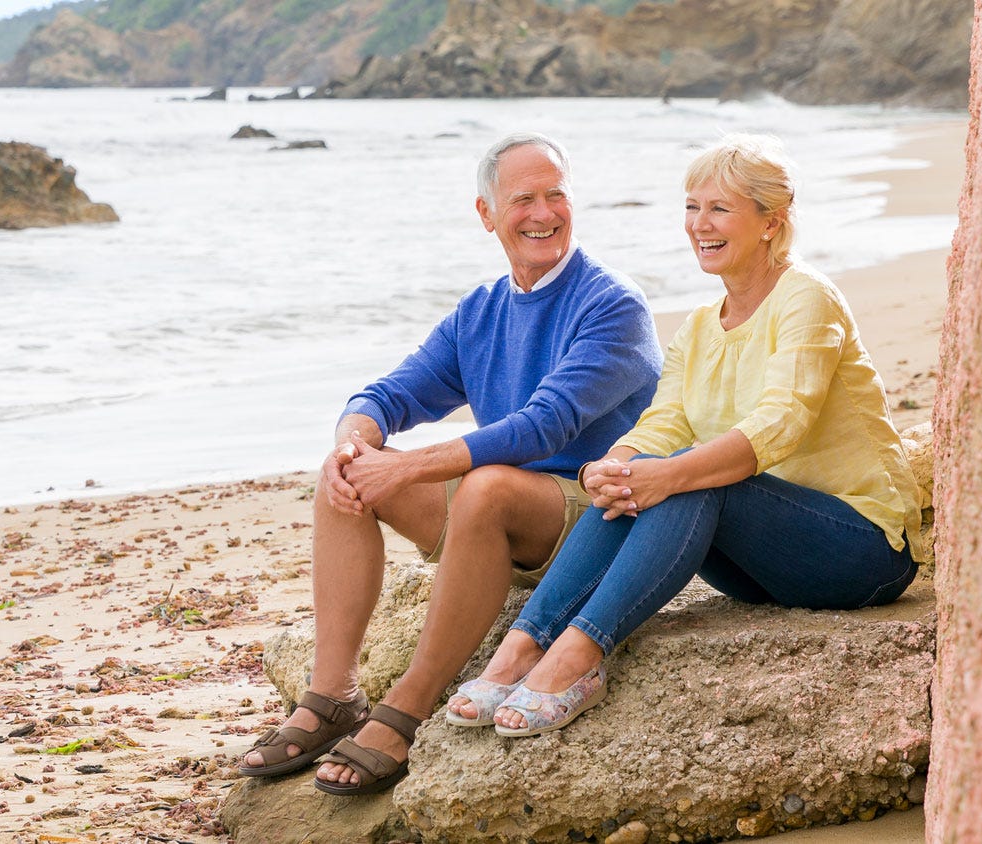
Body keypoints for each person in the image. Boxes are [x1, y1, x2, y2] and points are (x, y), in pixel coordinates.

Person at [447, 133, 926, 739]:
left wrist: (666, 473)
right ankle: (520, 648)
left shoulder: (808, 298)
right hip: (759, 564)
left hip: (861, 549)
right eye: (692, 207)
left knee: (694, 476)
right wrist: (612, 465)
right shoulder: (700, 326)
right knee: (646, 472)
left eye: (720, 208)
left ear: (771, 223)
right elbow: (661, 422)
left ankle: (577, 657)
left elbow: (783, 420)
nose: (701, 224)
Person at [236, 133, 664, 795]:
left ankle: (406, 707)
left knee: (484, 486)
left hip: (592, 518)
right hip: (498, 512)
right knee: (349, 471)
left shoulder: (612, 306)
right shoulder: (483, 309)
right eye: (523, 198)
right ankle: (332, 697)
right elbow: (389, 394)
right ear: (487, 214)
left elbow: (543, 426)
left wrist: (409, 468)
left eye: (556, 194)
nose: (542, 212)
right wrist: (354, 441)